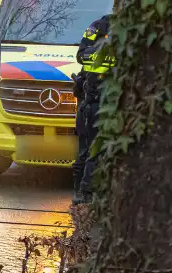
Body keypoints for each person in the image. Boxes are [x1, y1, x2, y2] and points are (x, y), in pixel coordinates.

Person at [72, 13, 113, 206]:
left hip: (93, 101)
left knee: (90, 150)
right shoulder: (98, 25)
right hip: (94, 101)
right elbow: (82, 55)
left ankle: (82, 193)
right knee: (90, 149)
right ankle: (82, 193)